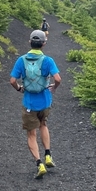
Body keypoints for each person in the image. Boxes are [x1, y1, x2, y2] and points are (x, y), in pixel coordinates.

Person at [10, 29, 61, 179]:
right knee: (43, 124)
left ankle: (39, 164)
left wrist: (19, 88)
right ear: (44, 43)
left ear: (29, 42)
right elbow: (58, 79)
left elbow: (12, 80)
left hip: (29, 102)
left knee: (31, 133)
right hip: (45, 100)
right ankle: (48, 155)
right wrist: (54, 88)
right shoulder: (48, 61)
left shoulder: (21, 60)